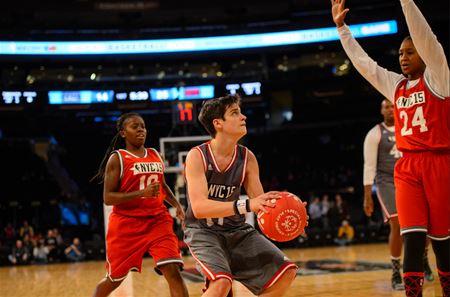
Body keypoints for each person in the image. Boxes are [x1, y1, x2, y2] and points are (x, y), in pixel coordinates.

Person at [331, 0, 450, 296]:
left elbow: (425, 35)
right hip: (407, 168)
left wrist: (406, 1)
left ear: (423, 54)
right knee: (411, 237)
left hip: (439, 164)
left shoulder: (439, 78)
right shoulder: (396, 87)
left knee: (442, 242)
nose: (403, 57)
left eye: (410, 52)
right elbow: (364, 65)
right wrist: (342, 29)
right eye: (400, 53)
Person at [183, 94, 300, 297]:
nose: (243, 117)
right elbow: (200, 208)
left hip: (237, 230)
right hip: (204, 232)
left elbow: (262, 205)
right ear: (218, 123)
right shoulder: (197, 156)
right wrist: (246, 205)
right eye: (235, 113)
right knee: (221, 284)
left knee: (287, 272)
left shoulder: (247, 157)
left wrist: (291, 211)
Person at [90, 112, 189, 297]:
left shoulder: (155, 155)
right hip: (127, 224)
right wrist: (141, 194)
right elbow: (108, 198)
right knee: (115, 279)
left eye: (143, 126)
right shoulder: (117, 158)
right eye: (135, 127)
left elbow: (163, 185)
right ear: (123, 133)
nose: (141, 130)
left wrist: (176, 204)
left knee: (173, 270)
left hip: (157, 220)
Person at [363, 99, 435, 290]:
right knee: (397, 223)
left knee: (423, 224)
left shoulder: (409, 127)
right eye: (386, 107)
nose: (390, 110)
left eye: (393, 107)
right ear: (381, 110)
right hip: (387, 181)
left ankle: (425, 260)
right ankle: (396, 271)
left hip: (411, 178)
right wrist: (367, 195)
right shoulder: (375, 133)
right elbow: (369, 166)